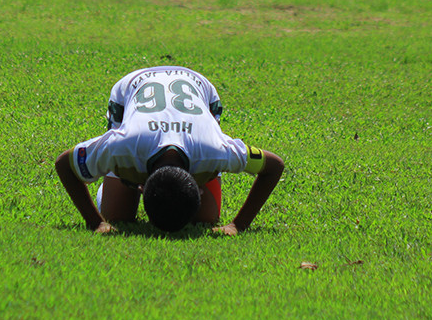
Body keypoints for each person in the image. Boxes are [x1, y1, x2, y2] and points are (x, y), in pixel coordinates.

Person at [55, 66, 284, 235]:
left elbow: (274, 166)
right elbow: (64, 163)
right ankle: (119, 180)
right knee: (116, 216)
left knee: (205, 218)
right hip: (131, 89)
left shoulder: (215, 149)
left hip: (201, 89)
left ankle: (143, 182)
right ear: (143, 187)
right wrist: (96, 222)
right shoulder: (122, 146)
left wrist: (238, 224)